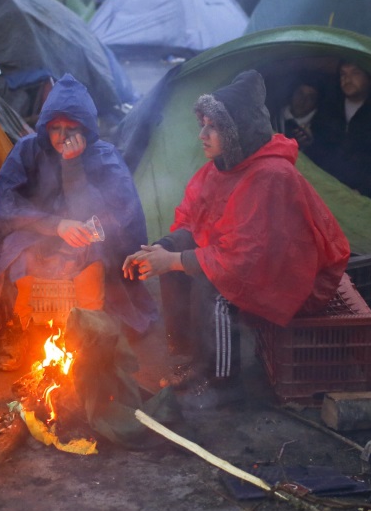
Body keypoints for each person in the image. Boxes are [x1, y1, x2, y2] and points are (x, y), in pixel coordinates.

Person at [123, 70, 350, 393]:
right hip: (250, 262)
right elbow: (192, 221)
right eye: (202, 124)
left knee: (212, 285)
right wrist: (159, 249)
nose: (202, 134)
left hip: (295, 279)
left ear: (236, 131)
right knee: (177, 257)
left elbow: (244, 261)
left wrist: (175, 259)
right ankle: (188, 355)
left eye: (212, 127)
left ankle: (220, 382)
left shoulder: (270, 176)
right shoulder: (224, 165)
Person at [0, 74, 156, 371]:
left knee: (94, 260)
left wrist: (73, 167)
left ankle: (90, 331)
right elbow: (3, 206)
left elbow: (120, 219)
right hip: (37, 233)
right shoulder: (29, 149)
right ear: (45, 128)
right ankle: (20, 330)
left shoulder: (104, 157)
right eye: (55, 128)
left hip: (88, 243)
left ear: (85, 129)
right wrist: (54, 225)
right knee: (14, 252)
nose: (62, 137)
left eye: (71, 129)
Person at [313, 61, 371, 213]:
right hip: (331, 196)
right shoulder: (329, 109)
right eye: (343, 74)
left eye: (355, 73)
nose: (347, 79)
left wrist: (364, 191)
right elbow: (321, 148)